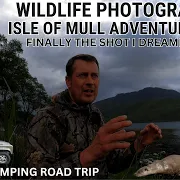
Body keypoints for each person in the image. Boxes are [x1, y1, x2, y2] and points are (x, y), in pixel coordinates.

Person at [25, 54, 162, 179]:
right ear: (68, 81)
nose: (90, 81)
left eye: (94, 76)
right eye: (83, 75)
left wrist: (139, 145)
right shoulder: (47, 118)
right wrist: (86, 156)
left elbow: (112, 164)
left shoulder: (95, 115)